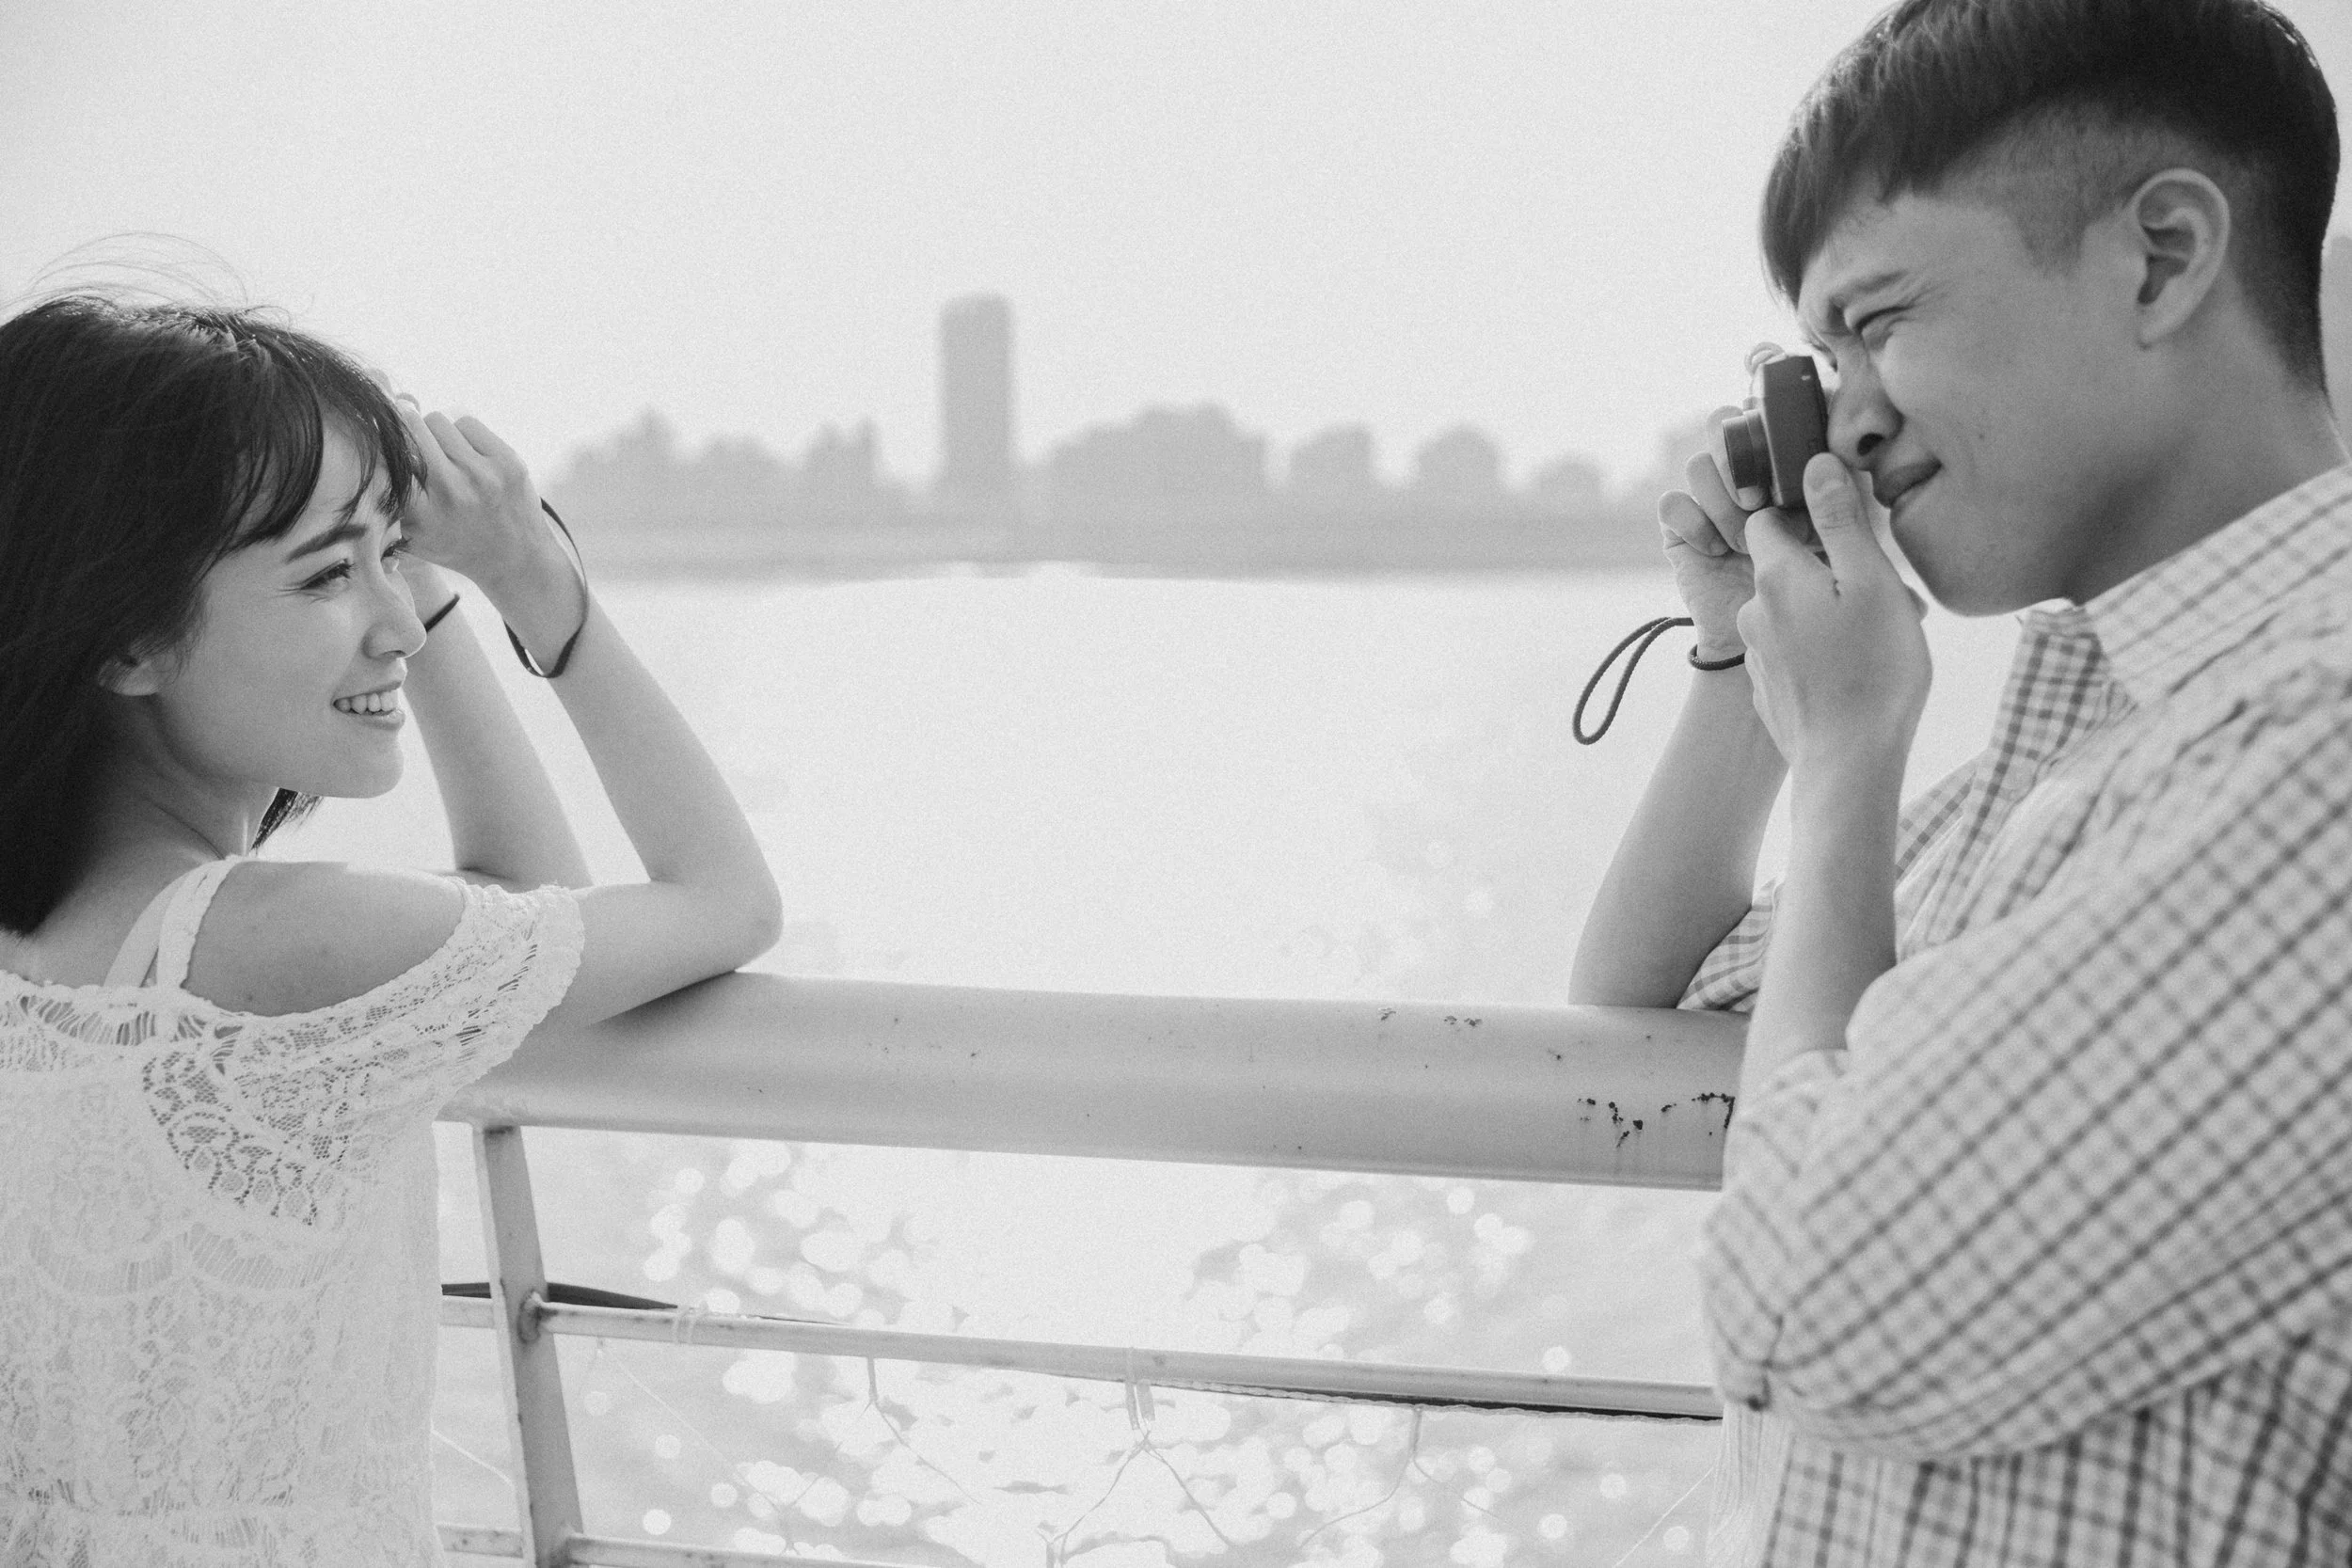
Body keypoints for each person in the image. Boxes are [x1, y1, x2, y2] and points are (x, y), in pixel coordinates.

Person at [1568, 0, 2352, 1562]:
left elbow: (1805, 1315)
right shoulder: (2103, 730)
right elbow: (1645, 1004)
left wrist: (1847, 760)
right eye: (1819, 362)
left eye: (1880, 321)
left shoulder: (2314, 742)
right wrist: (1748, 661)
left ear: (2161, 259)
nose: (1847, 420)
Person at [0, 294, 782, 1565]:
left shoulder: (62, 951)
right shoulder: (276, 944)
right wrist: (536, 584)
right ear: (129, 638)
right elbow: (723, 900)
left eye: (391, 558)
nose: (399, 623)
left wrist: (399, 575)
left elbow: (518, 919)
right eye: (326, 574)